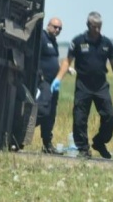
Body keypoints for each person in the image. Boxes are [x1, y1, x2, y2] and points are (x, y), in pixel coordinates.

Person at [51, 11, 113, 159]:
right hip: (83, 84)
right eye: (95, 27)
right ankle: (83, 149)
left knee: (110, 115)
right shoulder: (78, 41)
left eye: (100, 27)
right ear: (88, 25)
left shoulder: (106, 43)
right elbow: (67, 61)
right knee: (79, 118)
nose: (97, 30)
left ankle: (99, 141)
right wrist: (58, 78)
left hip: (101, 85)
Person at [37, 17, 64, 153]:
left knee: (51, 114)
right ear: (48, 25)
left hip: (54, 83)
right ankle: (24, 130)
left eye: (59, 28)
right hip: (44, 81)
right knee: (43, 109)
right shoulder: (42, 37)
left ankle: (47, 144)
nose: (57, 30)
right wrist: (40, 75)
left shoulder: (54, 42)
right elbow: (36, 56)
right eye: (55, 27)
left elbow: (54, 60)